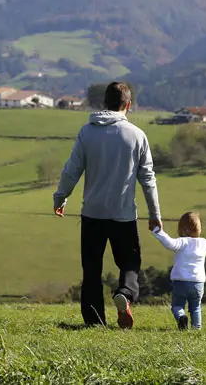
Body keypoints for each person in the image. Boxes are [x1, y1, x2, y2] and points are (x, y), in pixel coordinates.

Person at [53, 82, 162, 328]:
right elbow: (148, 179)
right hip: (123, 215)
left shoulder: (87, 132)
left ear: (105, 103)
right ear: (128, 105)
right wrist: (155, 214)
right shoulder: (136, 135)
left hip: (92, 214)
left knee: (91, 270)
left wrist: (60, 197)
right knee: (130, 263)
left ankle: (94, 321)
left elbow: (72, 170)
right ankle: (124, 292)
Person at [151, 211, 206, 330]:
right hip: (198, 283)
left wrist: (158, 231)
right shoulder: (204, 243)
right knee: (195, 308)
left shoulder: (182, 242)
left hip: (181, 282)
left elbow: (169, 243)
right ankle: (197, 328)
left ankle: (181, 317)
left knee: (177, 306)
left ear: (184, 230)